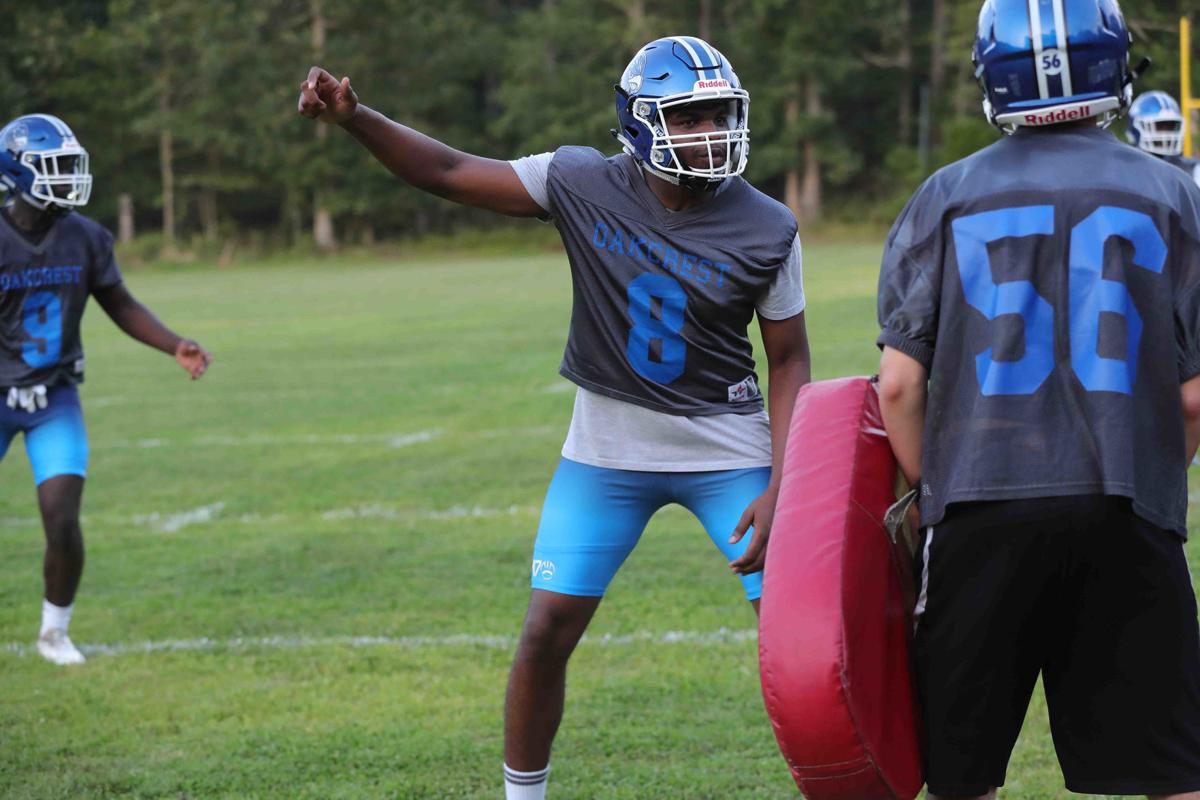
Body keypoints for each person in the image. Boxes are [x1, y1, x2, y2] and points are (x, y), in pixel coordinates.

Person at [298, 35, 810, 800]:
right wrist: (356, 118)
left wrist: (787, 482)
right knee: (544, 634)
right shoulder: (578, 180)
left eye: (719, 115)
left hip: (729, 449)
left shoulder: (769, 225)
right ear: (640, 124)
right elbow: (446, 171)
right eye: (690, 117)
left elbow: (791, 359)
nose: (710, 134)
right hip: (606, 452)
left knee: (802, 636)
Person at [876, 1, 1200, 798]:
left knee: (964, 772)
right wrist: (1156, 471)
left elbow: (898, 385)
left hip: (982, 504)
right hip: (1126, 503)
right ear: (1113, 64)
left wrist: (930, 490)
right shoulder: (1174, 194)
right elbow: (1192, 402)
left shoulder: (946, 193)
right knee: (1174, 769)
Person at [0, 114, 212, 666]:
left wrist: (174, 344)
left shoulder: (85, 237)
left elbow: (119, 302)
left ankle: (54, 631)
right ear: (17, 172)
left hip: (55, 396)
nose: (68, 178)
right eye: (55, 168)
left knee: (62, 515)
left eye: (71, 166)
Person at [1127, 90, 1200, 186]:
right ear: (1136, 127)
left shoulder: (1194, 171)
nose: (1166, 134)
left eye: (1171, 126)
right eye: (1159, 126)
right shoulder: (1126, 169)